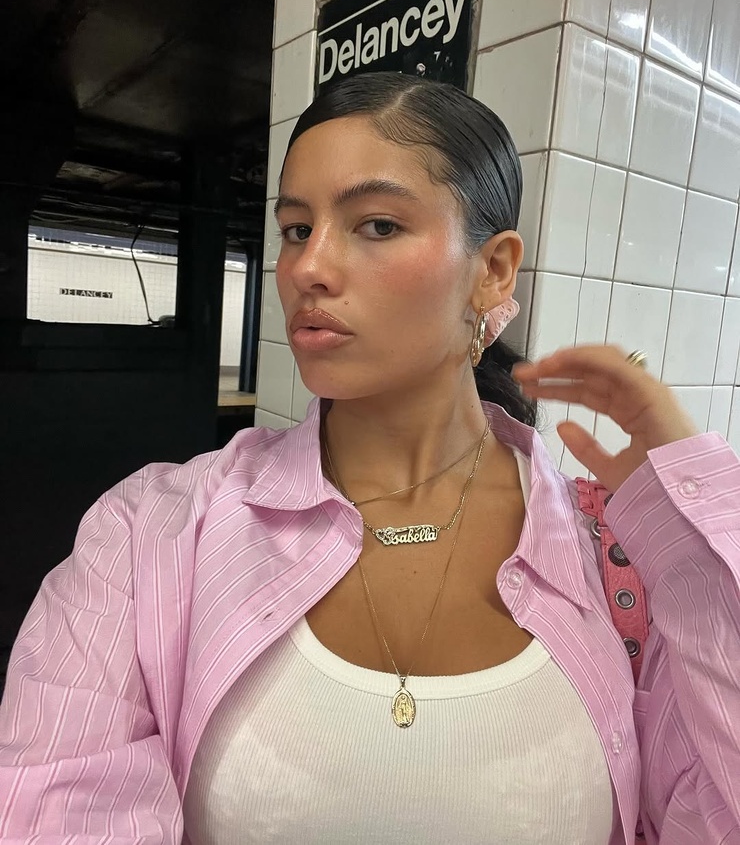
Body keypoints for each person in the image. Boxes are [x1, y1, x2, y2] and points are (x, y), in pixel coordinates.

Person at [1, 72, 739, 845]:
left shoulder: (620, 563)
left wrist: (693, 522)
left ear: (493, 270)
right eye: (296, 228)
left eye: (377, 225)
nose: (307, 267)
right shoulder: (149, 536)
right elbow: (56, 812)